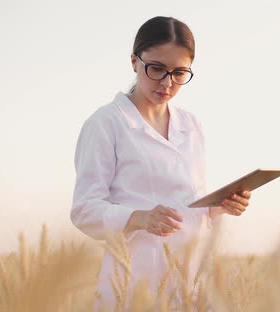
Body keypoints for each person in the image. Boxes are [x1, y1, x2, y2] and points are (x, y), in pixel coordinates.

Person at [70, 16, 251, 310]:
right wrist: (139, 217)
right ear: (134, 61)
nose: (167, 83)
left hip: (190, 278)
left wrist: (219, 205)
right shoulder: (105, 124)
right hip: (133, 282)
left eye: (180, 73)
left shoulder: (191, 125)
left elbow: (188, 202)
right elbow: (84, 211)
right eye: (157, 68)